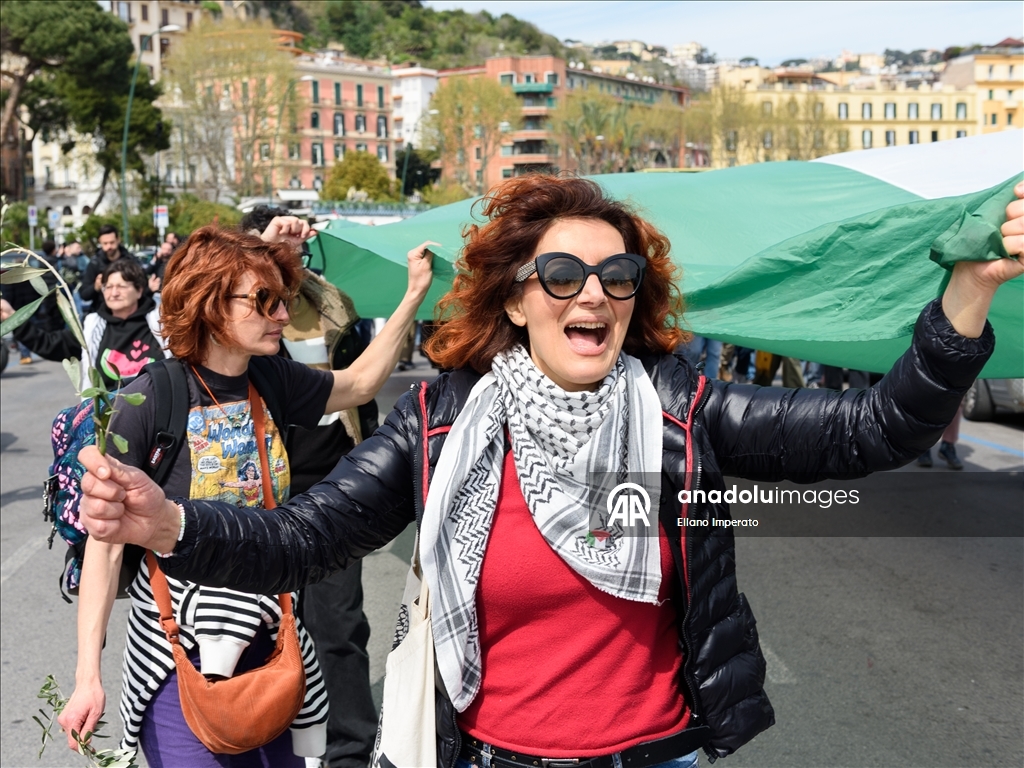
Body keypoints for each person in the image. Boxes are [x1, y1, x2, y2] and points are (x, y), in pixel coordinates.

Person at [78, 176, 1022, 767]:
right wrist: (170, 527)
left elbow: (880, 426)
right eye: (563, 274)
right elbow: (301, 540)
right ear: (518, 298)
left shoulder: (683, 406)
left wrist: (968, 291)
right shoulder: (439, 422)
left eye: (619, 279)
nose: (595, 296)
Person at [58, 219, 435, 767]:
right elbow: (106, 542)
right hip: (175, 656)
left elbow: (358, 384)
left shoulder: (272, 378)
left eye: (281, 300)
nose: (282, 314)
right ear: (210, 302)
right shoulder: (152, 396)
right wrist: (86, 677)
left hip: (272, 639)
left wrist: (414, 294)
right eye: (264, 300)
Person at [240, 204, 382, 768]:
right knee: (256, 623)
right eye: (269, 247)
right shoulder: (235, 311)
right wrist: (260, 254)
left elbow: (362, 382)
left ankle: (350, 748)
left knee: (338, 623)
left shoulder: (329, 302)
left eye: (292, 246)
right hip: (259, 489)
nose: (286, 254)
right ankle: (263, 734)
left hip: (332, 486)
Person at [1, 258, 167, 390]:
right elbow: (49, 344)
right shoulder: (91, 326)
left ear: (139, 290)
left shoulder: (161, 323)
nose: (113, 293)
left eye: (121, 286)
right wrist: (13, 318)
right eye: (108, 287)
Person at [80, 225, 138, 314]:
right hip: (102, 312)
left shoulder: (130, 261)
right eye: (105, 243)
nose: (109, 247)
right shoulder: (95, 263)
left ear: (118, 240)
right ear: (100, 242)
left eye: (112, 242)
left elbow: (141, 286)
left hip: (129, 312)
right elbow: (84, 294)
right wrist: (95, 287)